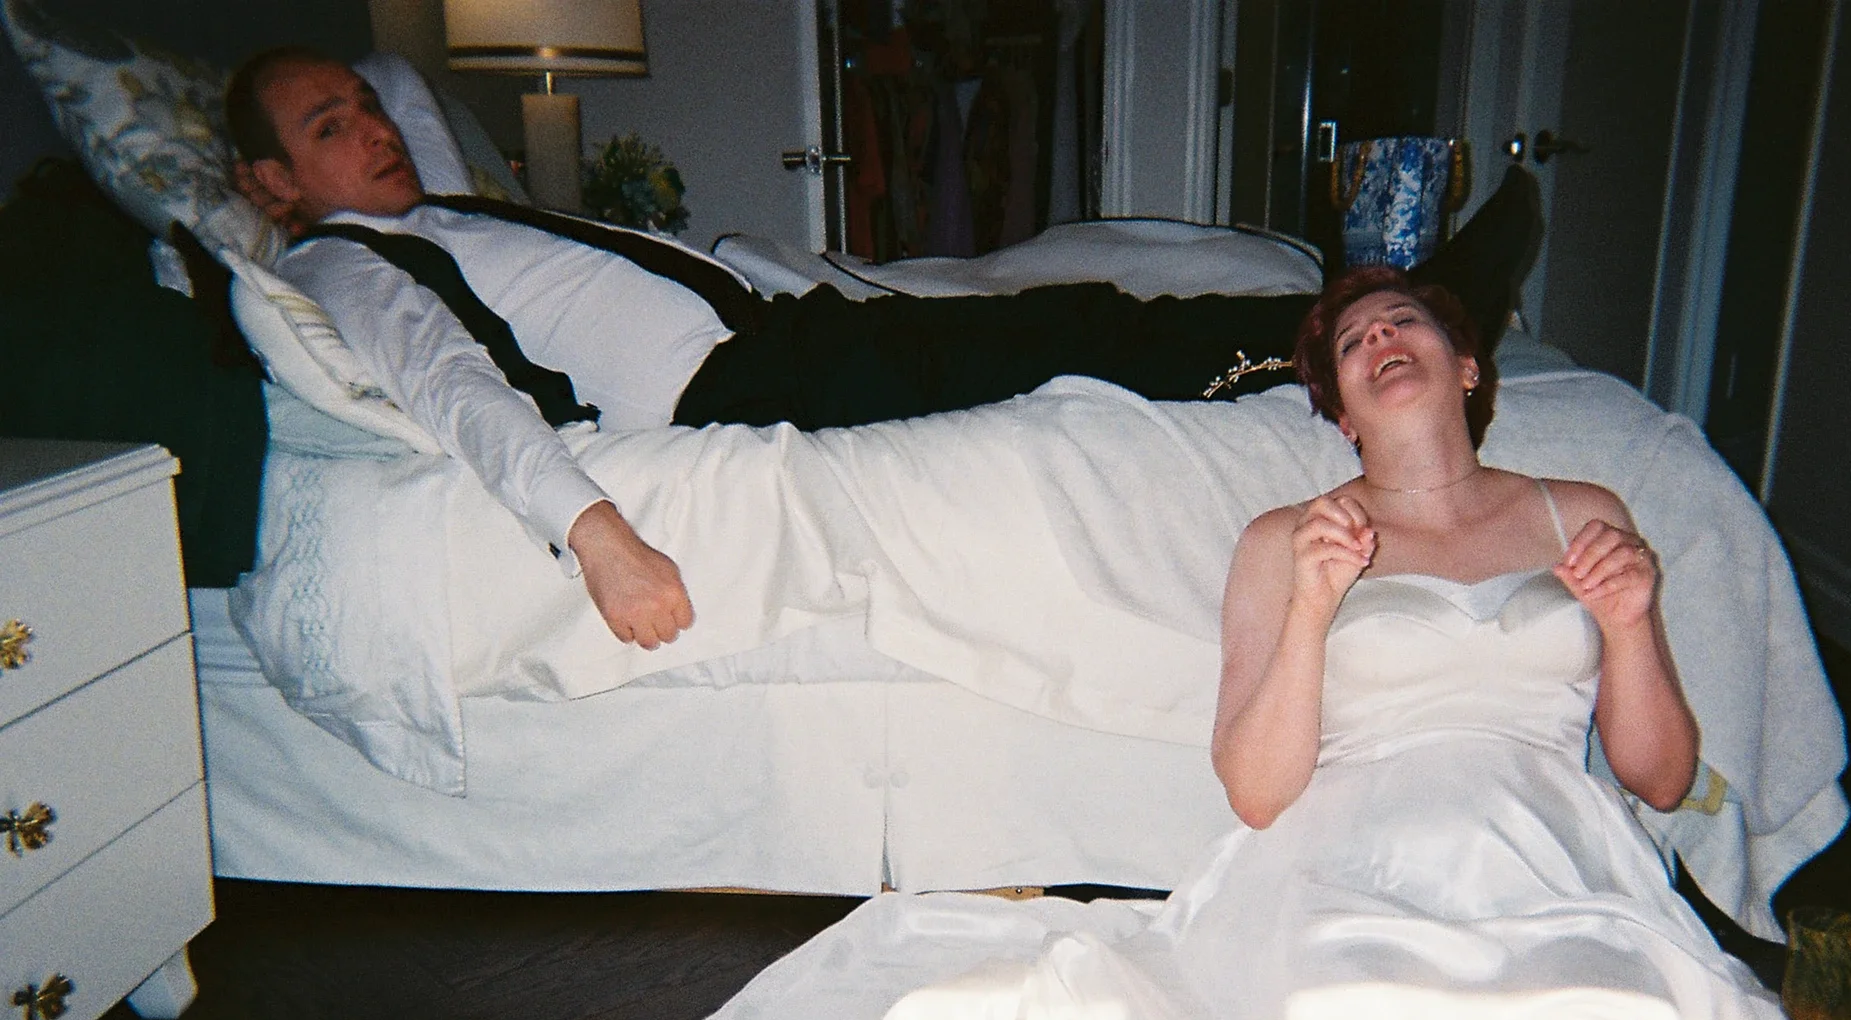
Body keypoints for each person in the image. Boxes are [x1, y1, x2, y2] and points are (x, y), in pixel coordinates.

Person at [620, 269, 1851, 1020]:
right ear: (1338, 407)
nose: (1379, 345)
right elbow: (1255, 785)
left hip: (1559, 853)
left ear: (1470, 371)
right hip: (1346, 851)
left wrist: (1632, 625)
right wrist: (1307, 609)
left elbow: (1662, 770)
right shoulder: (1286, 538)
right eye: (1352, 347)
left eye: (1404, 324)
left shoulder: (1582, 504)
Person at [222, 48, 1541, 655]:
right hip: (741, 386)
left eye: (367, 108)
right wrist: (598, 534)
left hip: (784, 332)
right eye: (330, 126)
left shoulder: (436, 209)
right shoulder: (343, 261)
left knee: (1067, 317)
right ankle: (1390, 332)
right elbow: (458, 393)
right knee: (1075, 344)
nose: (375, 131)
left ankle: (1389, 317)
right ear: (273, 182)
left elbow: (420, 103)